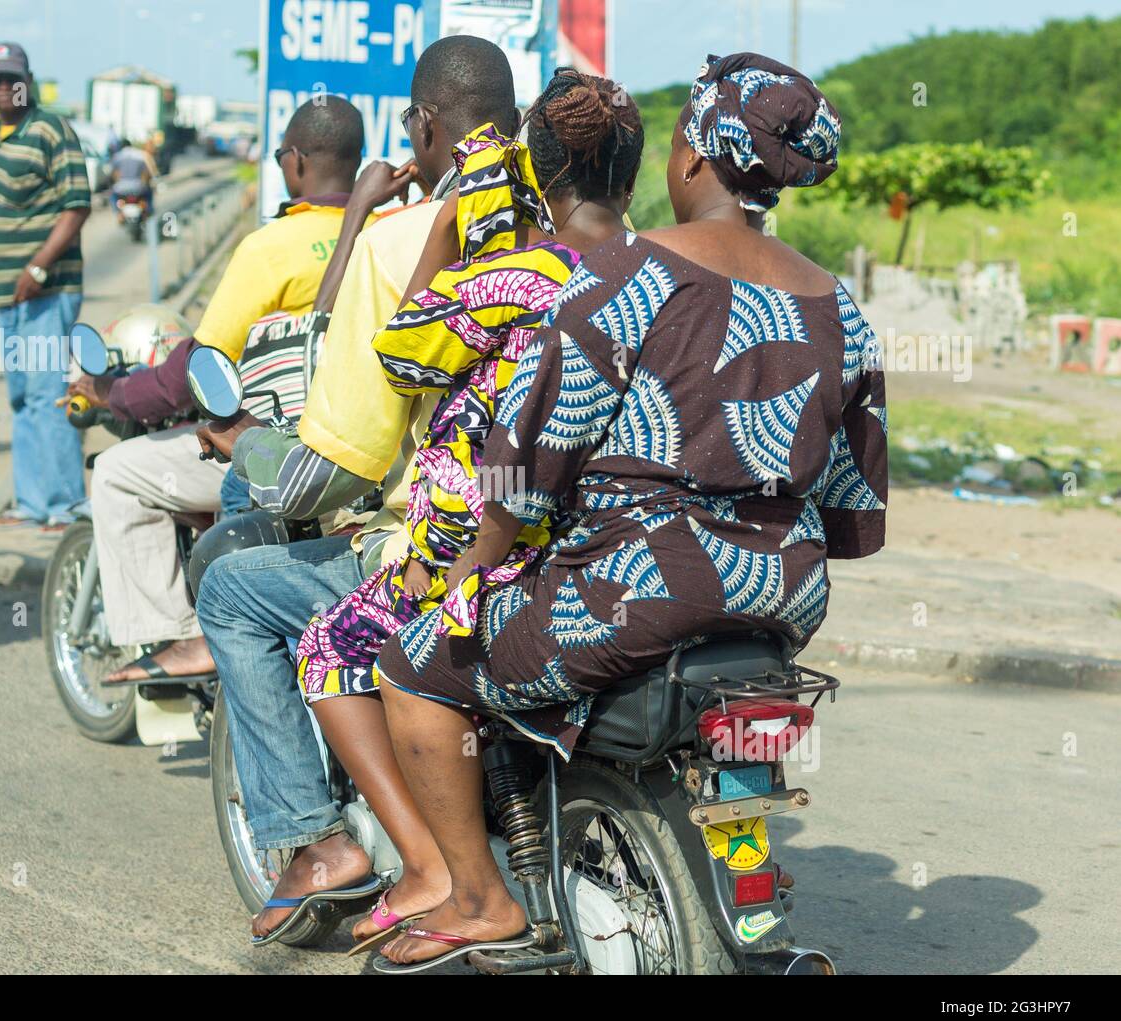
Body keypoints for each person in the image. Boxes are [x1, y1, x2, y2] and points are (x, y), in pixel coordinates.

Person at [371, 53, 888, 970]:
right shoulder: (841, 310)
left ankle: (482, 899)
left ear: (692, 157)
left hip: (636, 588)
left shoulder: (628, 275)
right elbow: (853, 513)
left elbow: (522, 469)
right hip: (786, 600)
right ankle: (746, 902)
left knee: (415, 668)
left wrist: (464, 573)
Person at [286, 69, 643, 952]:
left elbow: (401, 355)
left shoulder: (516, 276)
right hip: (600, 541)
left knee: (329, 643)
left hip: (479, 544)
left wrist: (447, 225)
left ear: (537, 173)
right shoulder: (657, 272)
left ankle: (436, 871)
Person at [189, 36, 519, 943]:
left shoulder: (397, 245)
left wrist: (250, 450)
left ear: (423, 127)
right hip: (559, 536)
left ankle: (321, 841)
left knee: (232, 591)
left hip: (430, 542)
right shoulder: (596, 240)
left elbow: (344, 462)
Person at [72, 96, 382, 684]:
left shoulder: (270, 248)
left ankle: (186, 636)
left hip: (276, 455)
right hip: (368, 455)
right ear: (358, 161)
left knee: (117, 470)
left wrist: (114, 393)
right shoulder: (387, 234)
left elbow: (194, 370)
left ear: (293, 163)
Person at [0, 41, 91, 534]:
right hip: (12, 293)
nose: (4, 87)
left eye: (12, 78)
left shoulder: (50, 128)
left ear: (29, 79)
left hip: (47, 291)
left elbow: (77, 205)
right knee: (22, 399)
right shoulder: (0, 135)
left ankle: (66, 506)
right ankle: (30, 502)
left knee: (49, 396)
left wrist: (39, 269)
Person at [108, 140, 156, 217]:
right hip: (138, 187)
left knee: (112, 194)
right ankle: (149, 210)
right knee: (149, 193)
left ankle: (118, 213)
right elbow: (146, 174)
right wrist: (146, 184)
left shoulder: (117, 157)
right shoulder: (140, 155)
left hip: (121, 188)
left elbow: (112, 174)